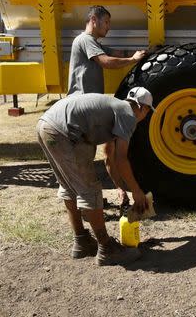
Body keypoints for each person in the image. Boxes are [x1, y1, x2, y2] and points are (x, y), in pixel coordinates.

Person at [36, 87, 154, 266]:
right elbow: (121, 159)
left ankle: (82, 241)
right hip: (63, 132)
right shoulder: (128, 115)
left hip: (46, 126)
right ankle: (107, 248)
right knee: (89, 189)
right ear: (143, 108)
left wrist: (120, 188)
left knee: (70, 186)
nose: (145, 116)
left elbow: (109, 155)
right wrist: (136, 191)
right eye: (147, 112)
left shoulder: (114, 108)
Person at [63, 5, 147, 207]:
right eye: (106, 22)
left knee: (93, 155)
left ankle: (91, 201)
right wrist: (131, 59)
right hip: (81, 109)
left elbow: (115, 52)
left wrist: (142, 53)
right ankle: (84, 204)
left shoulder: (94, 43)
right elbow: (106, 61)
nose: (109, 27)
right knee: (82, 160)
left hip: (89, 110)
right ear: (94, 20)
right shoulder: (84, 40)